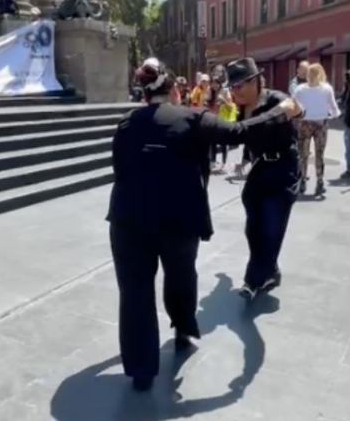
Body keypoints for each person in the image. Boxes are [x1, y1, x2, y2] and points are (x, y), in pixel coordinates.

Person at [106, 58, 301, 391]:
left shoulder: (126, 124)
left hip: (128, 221)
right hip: (178, 219)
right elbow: (240, 132)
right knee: (181, 277)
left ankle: (141, 371)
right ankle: (182, 327)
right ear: (176, 90)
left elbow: (119, 170)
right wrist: (282, 110)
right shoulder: (194, 119)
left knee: (135, 293)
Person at [227, 57, 303, 299]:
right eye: (232, 87)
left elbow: (295, 109)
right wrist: (246, 158)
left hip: (284, 168)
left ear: (256, 82)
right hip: (260, 169)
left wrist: (277, 113)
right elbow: (248, 137)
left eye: (239, 86)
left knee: (271, 227)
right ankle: (271, 270)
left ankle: (253, 280)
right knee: (253, 228)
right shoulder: (239, 107)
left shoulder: (276, 99)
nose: (235, 92)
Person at [293, 63, 340, 195]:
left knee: (303, 154)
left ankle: (302, 180)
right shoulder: (326, 88)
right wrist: (334, 115)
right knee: (319, 154)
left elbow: (294, 105)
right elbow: (333, 107)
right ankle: (319, 181)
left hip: (304, 123)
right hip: (321, 124)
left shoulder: (300, 89)